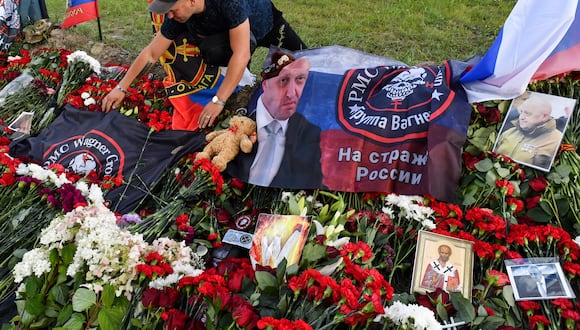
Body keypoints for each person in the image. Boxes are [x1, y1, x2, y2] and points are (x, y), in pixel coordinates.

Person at [101, 0, 307, 129]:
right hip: (228, 34)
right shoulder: (177, 15)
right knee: (216, 52)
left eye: (172, 10)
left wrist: (218, 101)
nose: (169, 16)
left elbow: (241, 53)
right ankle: (242, 87)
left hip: (265, 24)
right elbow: (152, 53)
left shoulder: (229, 3)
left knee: (306, 61)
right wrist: (121, 88)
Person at [228, 51, 322, 188]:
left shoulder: (310, 133)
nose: (291, 94)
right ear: (265, 85)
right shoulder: (238, 114)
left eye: (300, 80)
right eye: (283, 81)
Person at [494, 95, 563, 169]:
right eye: (521, 112)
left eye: (528, 113)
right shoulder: (509, 132)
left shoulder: (558, 140)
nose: (521, 117)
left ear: (544, 117)